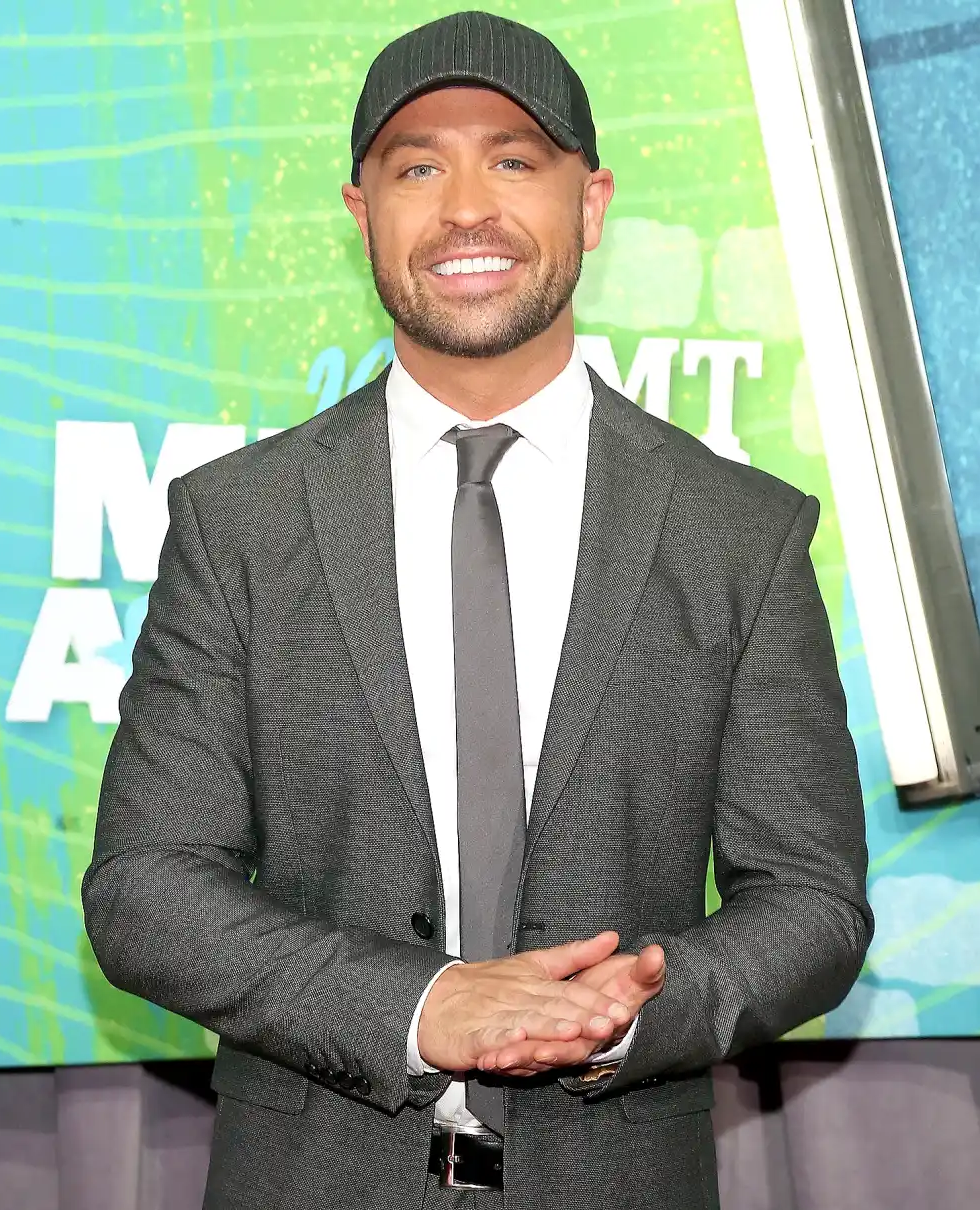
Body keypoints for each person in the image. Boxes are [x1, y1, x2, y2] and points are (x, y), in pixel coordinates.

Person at [82, 11, 873, 1210]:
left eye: (513, 160)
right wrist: (420, 1005)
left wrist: (629, 1005)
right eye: (417, 166)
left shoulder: (738, 533)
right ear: (362, 214)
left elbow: (811, 901)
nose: (465, 208)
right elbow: (146, 887)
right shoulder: (237, 523)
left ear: (591, 203)